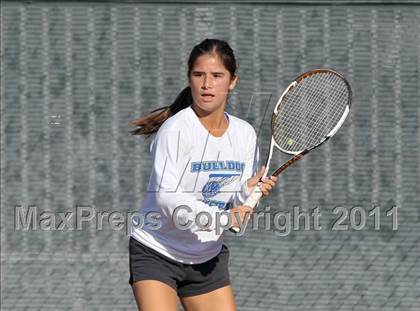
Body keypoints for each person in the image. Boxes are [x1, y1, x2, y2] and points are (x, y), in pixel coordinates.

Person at [129, 38, 277, 311]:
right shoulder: (175, 130)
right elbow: (167, 199)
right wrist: (222, 218)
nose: (207, 84)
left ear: (232, 81)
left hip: (207, 257)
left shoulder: (244, 134)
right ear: (190, 79)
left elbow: (236, 204)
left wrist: (248, 193)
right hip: (157, 251)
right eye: (199, 75)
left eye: (217, 76)